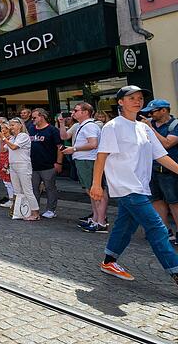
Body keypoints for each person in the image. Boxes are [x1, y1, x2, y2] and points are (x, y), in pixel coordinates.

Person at [91, 86, 178, 285]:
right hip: (125, 187)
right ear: (120, 102)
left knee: (125, 225)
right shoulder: (112, 126)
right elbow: (101, 156)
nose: (137, 101)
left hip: (141, 186)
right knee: (157, 228)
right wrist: (96, 185)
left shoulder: (144, 127)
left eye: (140, 98)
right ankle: (175, 270)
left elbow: (161, 156)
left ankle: (109, 261)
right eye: (131, 98)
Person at [59, 103, 108, 232]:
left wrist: (74, 148)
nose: (72, 113)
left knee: (96, 191)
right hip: (83, 159)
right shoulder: (80, 125)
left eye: (76, 110)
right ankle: (96, 218)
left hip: (88, 160)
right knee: (91, 191)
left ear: (86, 112)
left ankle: (101, 221)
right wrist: (61, 123)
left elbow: (93, 143)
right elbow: (64, 137)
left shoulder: (90, 126)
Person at [141, 99, 178, 246]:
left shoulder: (174, 125)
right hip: (152, 169)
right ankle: (164, 232)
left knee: (174, 202)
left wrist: (151, 129)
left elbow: (167, 143)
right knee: (157, 201)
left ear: (164, 110)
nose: (150, 115)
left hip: (169, 171)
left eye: (153, 111)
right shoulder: (149, 124)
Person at [0, 118, 40, 221]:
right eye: (10, 125)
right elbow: (3, 149)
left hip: (23, 165)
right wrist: (1, 138)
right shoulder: (13, 137)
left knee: (27, 190)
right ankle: (21, 211)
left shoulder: (23, 136)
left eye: (13, 125)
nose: (11, 127)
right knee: (17, 191)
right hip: (13, 165)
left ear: (20, 125)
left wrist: (4, 138)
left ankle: (36, 213)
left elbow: (14, 147)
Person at [28, 108, 63, 219]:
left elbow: (60, 147)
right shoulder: (31, 129)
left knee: (50, 188)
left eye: (34, 117)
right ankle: (35, 208)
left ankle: (51, 209)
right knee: (34, 188)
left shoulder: (52, 130)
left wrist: (59, 162)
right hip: (33, 165)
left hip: (48, 164)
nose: (32, 120)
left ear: (42, 116)